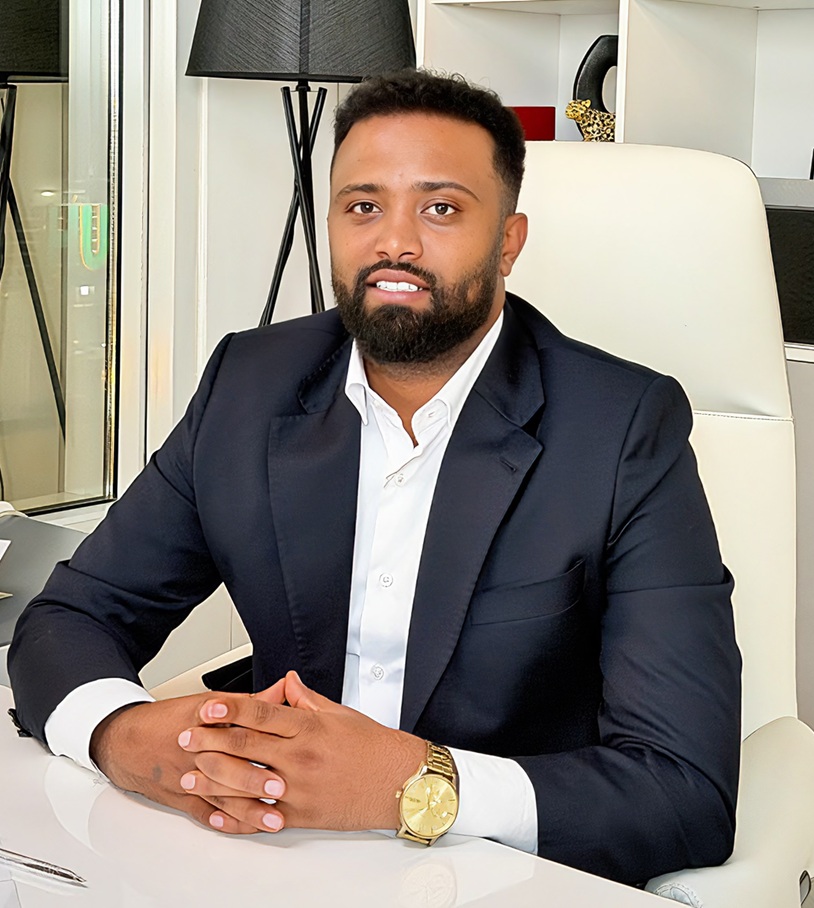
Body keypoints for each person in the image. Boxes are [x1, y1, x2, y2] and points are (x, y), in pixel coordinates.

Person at [8, 69, 741, 886]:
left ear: (507, 240)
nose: (395, 242)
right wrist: (119, 733)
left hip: (496, 874)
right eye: (362, 206)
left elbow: (683, 792)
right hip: (270, 853)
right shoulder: (250, 383)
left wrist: (414, 787)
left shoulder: (621, 428)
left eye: (440, 208)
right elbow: (72, 617)